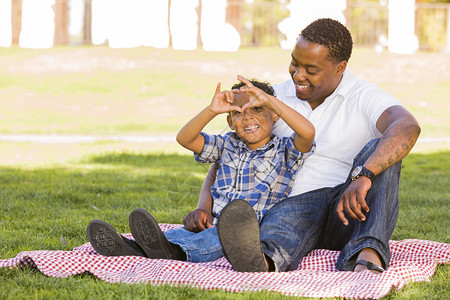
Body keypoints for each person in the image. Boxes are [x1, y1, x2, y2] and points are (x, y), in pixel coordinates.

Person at [184, 18, 421, 273]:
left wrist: (364, 175)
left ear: (340, 68)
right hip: (290, 210)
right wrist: (203, 206)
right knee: (287, 218)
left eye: (310, 69)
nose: (298, 75)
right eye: (294, 63)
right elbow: (230, 153)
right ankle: (261, 261)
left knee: (382, 148)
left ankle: (368, 254)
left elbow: (407, 127)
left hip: (350, 210)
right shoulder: (268, 98)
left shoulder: (364, 96)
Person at [86, 77, 315, 266]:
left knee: (212, 239)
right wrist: (211, 110)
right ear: (230, 120)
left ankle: (172, 253)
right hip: (212, 224)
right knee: (181, 234)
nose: (248, 118)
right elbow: (184, 138)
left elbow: (307, 132)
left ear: (274, 114)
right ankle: (132, 249)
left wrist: (271, 101)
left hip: (246, 233)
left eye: (257, 109)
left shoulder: (285, 150)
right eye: (238, 113)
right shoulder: (227, 144)